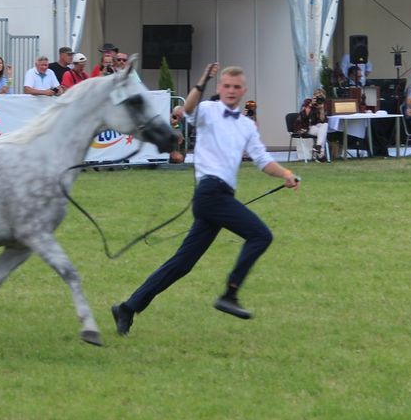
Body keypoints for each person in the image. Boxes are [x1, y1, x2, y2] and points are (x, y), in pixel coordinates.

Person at [110, 63, 299, 336]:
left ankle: (128, 307)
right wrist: (202, 80)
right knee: (261, 235)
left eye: (236, 87)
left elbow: (262, 160)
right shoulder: (208, 111)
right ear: (220, 88)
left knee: (182, 264)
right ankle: (230, 294)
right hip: (210, 193)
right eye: (226, 86)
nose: (232, 91)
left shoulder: (247, 125)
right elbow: (185, 111)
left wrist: (286, 173)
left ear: (243, 90)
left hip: (220, 197)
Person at [295, 88, 331, 162]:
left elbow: (322, 120)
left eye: (321, 96)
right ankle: (320, 154)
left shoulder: (322, 104)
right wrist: (311, 105)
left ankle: (318, 147)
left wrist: (321, 109)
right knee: (322, 132)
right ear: (314, 95)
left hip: (317, 127)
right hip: (306, 127)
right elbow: (305, 116)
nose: (318, 98)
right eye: (317, 95)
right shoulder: (307, 102)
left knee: (324, 125)